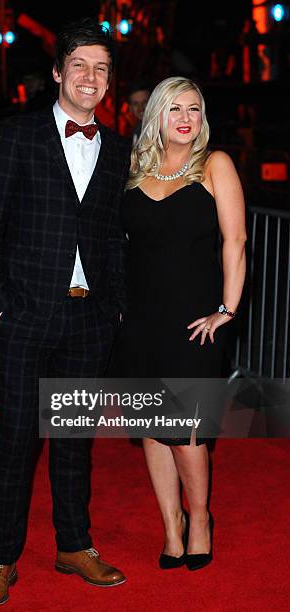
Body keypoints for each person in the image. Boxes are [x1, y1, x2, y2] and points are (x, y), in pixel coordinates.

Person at [0, 19, 130, 607]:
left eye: (102, 68)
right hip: (24, 316)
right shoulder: (17, 136)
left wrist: (115, 307)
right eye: (81, 66)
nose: (91, 78)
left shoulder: (117, 150)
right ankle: (0, 559)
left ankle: (74, 545)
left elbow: (114, 236)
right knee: (16, 437)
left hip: (89, 321)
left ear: (109, 81)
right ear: (59, 72)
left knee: (73, 439)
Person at [111, 76, 246, 571]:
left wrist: (227, 310)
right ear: (156, 118)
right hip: (141, 321)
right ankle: (171, 528)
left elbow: (235, 243)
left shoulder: (215, 165)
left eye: (193, 108)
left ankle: (201, 519)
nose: (185, 118)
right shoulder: (133, 168)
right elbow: (119, 248)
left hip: (196, 322)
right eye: (174, 109)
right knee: (151, 428)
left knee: (184, 430)